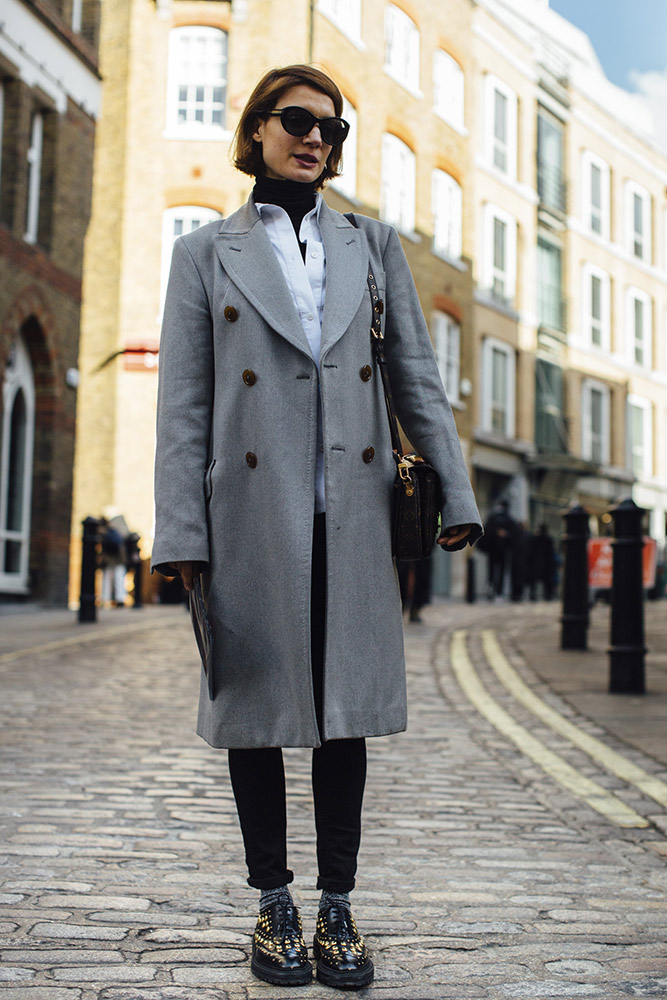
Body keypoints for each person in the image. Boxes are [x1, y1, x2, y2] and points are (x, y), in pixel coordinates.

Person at [151, 64, 482, 990]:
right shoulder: (205, 252)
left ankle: (337, 910)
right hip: (249, 514)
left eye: (332, 130)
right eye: (297, 122)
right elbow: (183, 404)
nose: (315, 139)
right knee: (254, 715)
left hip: (356, 509)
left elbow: (415, 376)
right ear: (256, 130)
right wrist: (181, 529)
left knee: (345, 718)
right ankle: (272, 907)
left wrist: (455, 492)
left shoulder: (371, 246)